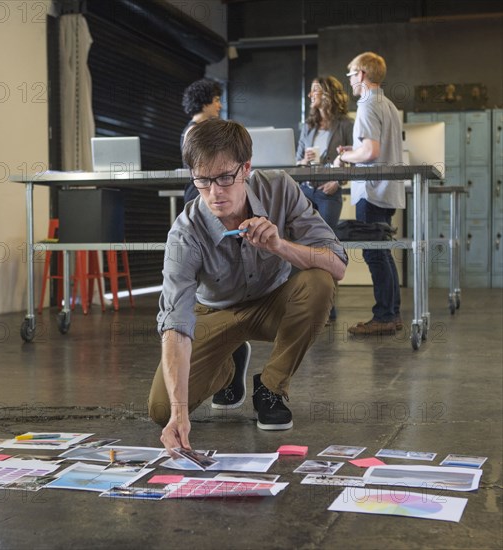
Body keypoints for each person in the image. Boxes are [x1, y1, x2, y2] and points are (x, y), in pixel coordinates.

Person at [148, 119, 348, 455]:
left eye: (226, 177)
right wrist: (179, 414)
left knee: (318, 282)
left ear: (246, 168)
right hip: (214, 311)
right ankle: (229, 364)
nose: (216, 192)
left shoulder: (280, 188)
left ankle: (271, 387)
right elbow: (175, 326)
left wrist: (280, 245)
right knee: (162, 410)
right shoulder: (184, 233)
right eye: (203, 180)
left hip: (274, 301)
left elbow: (338, 265)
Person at [181, 78, 252, 402]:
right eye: (217, 99)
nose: (220, 104)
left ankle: (232, 342)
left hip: (214, 202)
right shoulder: (197, 133)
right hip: (203, 206)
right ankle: (225, 353)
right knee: (204, 275)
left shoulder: (215, 132)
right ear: (206, 101)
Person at [333, 52, 404, 335]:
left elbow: (371, 152)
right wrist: (354, 152)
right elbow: (374, 150)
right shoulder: (387, 104)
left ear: (361, 74)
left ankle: (385, 316)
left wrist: (345, 159)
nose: (349, 79)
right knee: (383, 252)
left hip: (373, 191)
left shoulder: (366, 105)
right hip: (386, 190)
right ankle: (391, 313)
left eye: (350, 74)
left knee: (375, 253)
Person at [296, 75, 354, 322]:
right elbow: (296, 161)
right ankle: (309, 303)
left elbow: (353, 159)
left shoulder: (345, 125)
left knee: (326, 249)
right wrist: (304, 162)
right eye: (310, 90)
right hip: (307, 192)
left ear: (329, 94)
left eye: (315, 90)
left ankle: (328, 304)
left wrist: (339, 180)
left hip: (330, 194)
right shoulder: (307, 127)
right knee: (304, 246)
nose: (311, 95)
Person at [180, 78, 223, 204]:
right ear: (204, 103)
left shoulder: (197, 129)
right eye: (216, 100)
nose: (219, 106)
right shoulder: (194, 130)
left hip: (204, 190)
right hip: (199, 193)